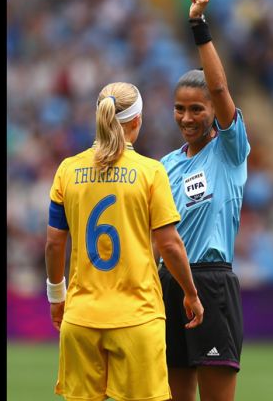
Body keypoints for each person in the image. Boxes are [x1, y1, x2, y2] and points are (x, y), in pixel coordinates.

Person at [45, 81, 205, 401]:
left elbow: (53, 243)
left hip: (81, 317)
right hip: (137, 317)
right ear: (137, 121)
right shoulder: (150, 172)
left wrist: (56, 295)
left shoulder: (68, 170)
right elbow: (170, 244)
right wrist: (191, 293)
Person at [157, 0, 250, 401]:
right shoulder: (165, 165)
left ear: (214, 111)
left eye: (197, 108)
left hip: (211, 283)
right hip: (168, 282)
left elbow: (220, 89)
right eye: (180, 108)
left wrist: (198, 25)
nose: (187, 117)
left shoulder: (229, 151)